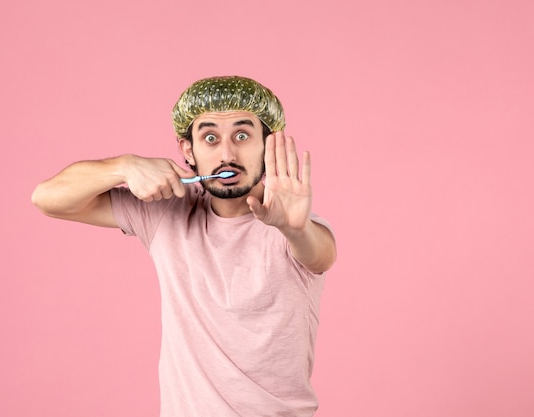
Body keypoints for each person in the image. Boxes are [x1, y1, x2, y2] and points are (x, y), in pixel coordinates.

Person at [32, 75, 337, 417]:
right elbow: (48, 199)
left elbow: (320, 254)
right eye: (210, 138)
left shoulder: (291, 223)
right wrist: (124, 166)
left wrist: (294, 229)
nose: (226, 154)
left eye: (242, 135)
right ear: (188, 150)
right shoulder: (167, 210)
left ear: (267, 145)